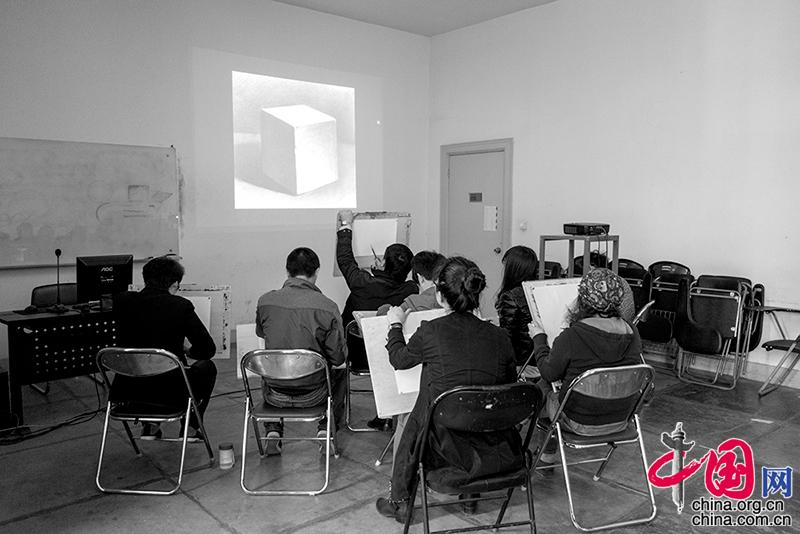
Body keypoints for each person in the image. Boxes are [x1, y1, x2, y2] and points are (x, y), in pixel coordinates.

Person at [375, 257, 518, 522]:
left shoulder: (431, 331)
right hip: (494, 442)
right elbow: (509, 385)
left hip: (441, 442)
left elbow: (399, 359)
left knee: (423, 404)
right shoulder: (500, 336)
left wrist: (395, 325)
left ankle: (400, 501)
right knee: (454, 389)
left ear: (440, 297)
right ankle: (469, 496)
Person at [529, 268, 643, 462]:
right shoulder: (632, 332)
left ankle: (540, 451)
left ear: (583, 300)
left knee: (543, 386)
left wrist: (539, 339)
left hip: (579, 420)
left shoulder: (572, 336)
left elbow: (548, 372)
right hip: (620, 419)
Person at [112, 255, 217, 441]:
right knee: (207, 367)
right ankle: (190, 427)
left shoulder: (122, 301)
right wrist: (187, 350)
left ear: (145, 279)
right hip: (170, 392)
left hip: (127, 390)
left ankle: (150, 425)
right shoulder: (181, 306)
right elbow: (207, 350)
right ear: (175, 284)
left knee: (147, 366)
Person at [255, 247, 347, 455]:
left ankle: (273, 431)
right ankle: (325, 429)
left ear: (287, 271)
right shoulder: (328, 307)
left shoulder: (265, 301)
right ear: (317, 272)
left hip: (275, 393)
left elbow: (262, 334)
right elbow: (337, 357)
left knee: (269, 363)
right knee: (341, 370)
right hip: (314, 394)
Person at [337, 210, 417, 429]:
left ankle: (334, 416)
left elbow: (345, 260)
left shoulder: (362, 282)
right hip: (390, 354)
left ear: (382, 264)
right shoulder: (411, 290)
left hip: (356, 354)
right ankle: (388, 413)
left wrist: (345, 225)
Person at [495, 245, 539, 367]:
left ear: (512, 269)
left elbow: (506, 337)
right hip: (539, 357)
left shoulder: (510, 296)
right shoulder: (537, 290)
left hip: (520, 361)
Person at [376, 250, 446, 314]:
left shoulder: (412, 303)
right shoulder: (450, 300)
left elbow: (386, 316)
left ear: (420, 278)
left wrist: (385, 308)